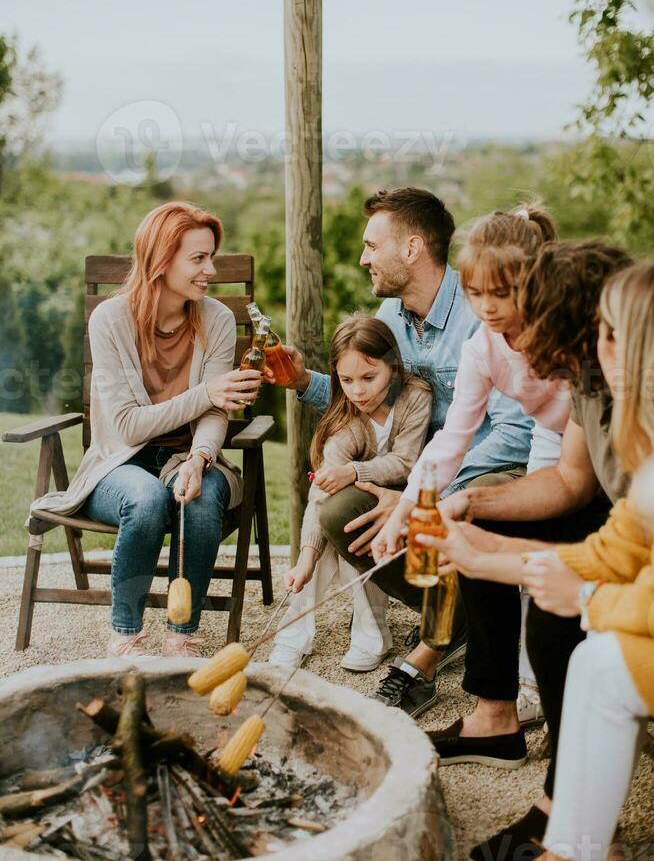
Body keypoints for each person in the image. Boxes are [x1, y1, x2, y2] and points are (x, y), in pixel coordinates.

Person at [428, 261, 654, 861]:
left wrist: (587, 599)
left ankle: (574, 857)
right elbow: (616, 540)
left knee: (597, 656)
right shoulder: (603, 398)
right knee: (591, 656)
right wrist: (481, 550)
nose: (512, 337)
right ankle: (578, 855)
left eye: (522, 318)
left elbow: (609, 557)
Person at [277, 187, 534, 716]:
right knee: (338, 508)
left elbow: (516, 433)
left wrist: (427, 495)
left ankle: (425, 657)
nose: (363, 257)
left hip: (491, 472)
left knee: (466, 507)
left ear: (413, 248)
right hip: (420, 469)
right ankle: (454, 614)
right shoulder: (392, 316)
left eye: (373, 246)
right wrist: (304, 381)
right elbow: (369, 391)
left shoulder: (482, 308)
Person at [30, 202, 263, 658]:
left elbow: (217, 412)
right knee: (146, 498)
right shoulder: (110, 320)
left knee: (198, 495)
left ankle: (182, 633)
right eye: (198, 259)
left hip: (189, 456)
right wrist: (207, 393)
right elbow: (127, 425)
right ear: (161, 260)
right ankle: (126, 634)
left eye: (211, 257)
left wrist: (200, 459)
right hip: (118, 464)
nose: (210, 270)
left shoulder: (214, 319)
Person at [372, 203, 569, 705]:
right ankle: (519, 686)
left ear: (534, 283)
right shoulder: (482, 345)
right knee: (514, 543)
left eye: (501, 294)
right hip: (552, 437)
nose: (486, 308)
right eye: (476, 294)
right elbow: (451, 438)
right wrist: (406, 508)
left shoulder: (568, 332)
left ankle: (547, 677)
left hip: (596, 434)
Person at [268, 315, 431, 671]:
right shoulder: (347, 421)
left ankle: (368, 632)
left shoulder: (415, 396)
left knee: (353, 516)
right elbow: (322, 490)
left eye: (369, 378)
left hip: (405, 505)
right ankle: (295, 635)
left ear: (392, 367)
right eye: (346, 380)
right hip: (358, 507)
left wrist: (353, 472)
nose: (358, 391)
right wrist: (306, 557)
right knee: (335, 518)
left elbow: (406, 461)